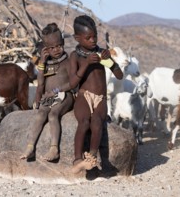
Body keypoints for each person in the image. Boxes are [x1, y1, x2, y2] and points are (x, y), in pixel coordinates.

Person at [68, 15, 123, 173]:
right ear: (77, 38)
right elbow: (72, 83)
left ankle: (91, 157)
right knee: (84, 122)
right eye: (88, 37)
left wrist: (110, 61)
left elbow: (119, 75)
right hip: (84, 96)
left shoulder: (101, 55)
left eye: (95, 36)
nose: (93, 40)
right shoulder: (76, 56)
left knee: (97, 122)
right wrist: (85, 64)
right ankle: (77, 160)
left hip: (100, 99)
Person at [20, 23, 74, 161]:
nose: (56, 50)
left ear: (62, 43)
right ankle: (30, 147)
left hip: (64, 95)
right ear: (45, 49)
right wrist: (42, 62)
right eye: (51, 48)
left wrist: (57, 90)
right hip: (49, 97)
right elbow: (41, 83)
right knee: (41, 114)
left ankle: (54, 148)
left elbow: (73, 82)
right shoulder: (46, 64)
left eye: (58, 46)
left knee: (53, 115)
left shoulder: (67, 62)